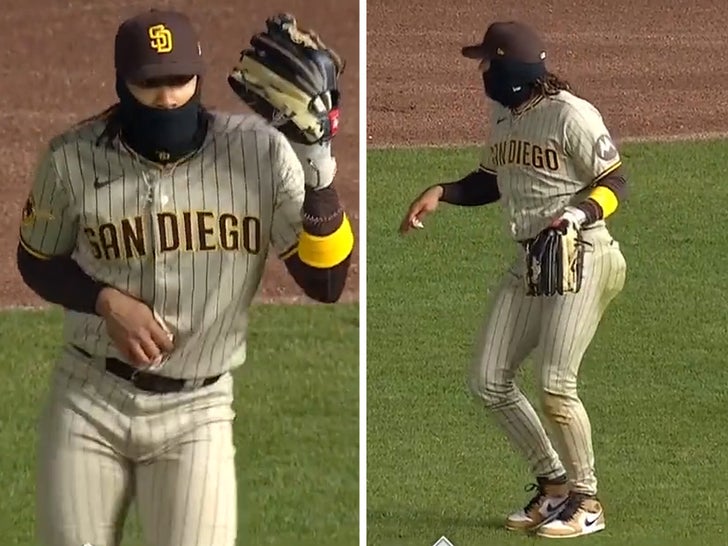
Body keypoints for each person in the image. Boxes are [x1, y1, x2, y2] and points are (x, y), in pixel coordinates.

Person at [16, 8, 354, 546]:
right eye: (150, 83)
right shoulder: (71, 159)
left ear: (199, 76)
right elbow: (36, 260)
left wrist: (319, 171)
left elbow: (327, 282)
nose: (168, 96)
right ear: (122, 83)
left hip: (198, 414)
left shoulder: (261, 153)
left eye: (179, 79)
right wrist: (103, 299)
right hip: (88, 401)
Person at [399, 20, 627, 539]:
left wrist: (575, 216)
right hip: (532, 262)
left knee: (555, 384)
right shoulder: (504, 117)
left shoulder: (571, 115)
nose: (481, 71)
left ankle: (587, 500)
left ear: (509, 70)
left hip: (583, 255)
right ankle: (554, 487)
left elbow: (615, 180)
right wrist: (442, 191)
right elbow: (490, 180)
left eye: (488, 62)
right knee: (488, 380)